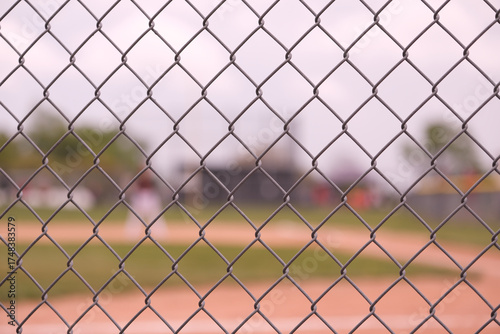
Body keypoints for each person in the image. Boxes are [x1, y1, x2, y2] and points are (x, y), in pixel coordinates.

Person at [125, 173, 167, 240]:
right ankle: (132, 234)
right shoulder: (138, 179)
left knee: (155, 216)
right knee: (135, 217)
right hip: (140, 197)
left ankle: (160, 233)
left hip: (150, 196)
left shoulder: (151, 180)